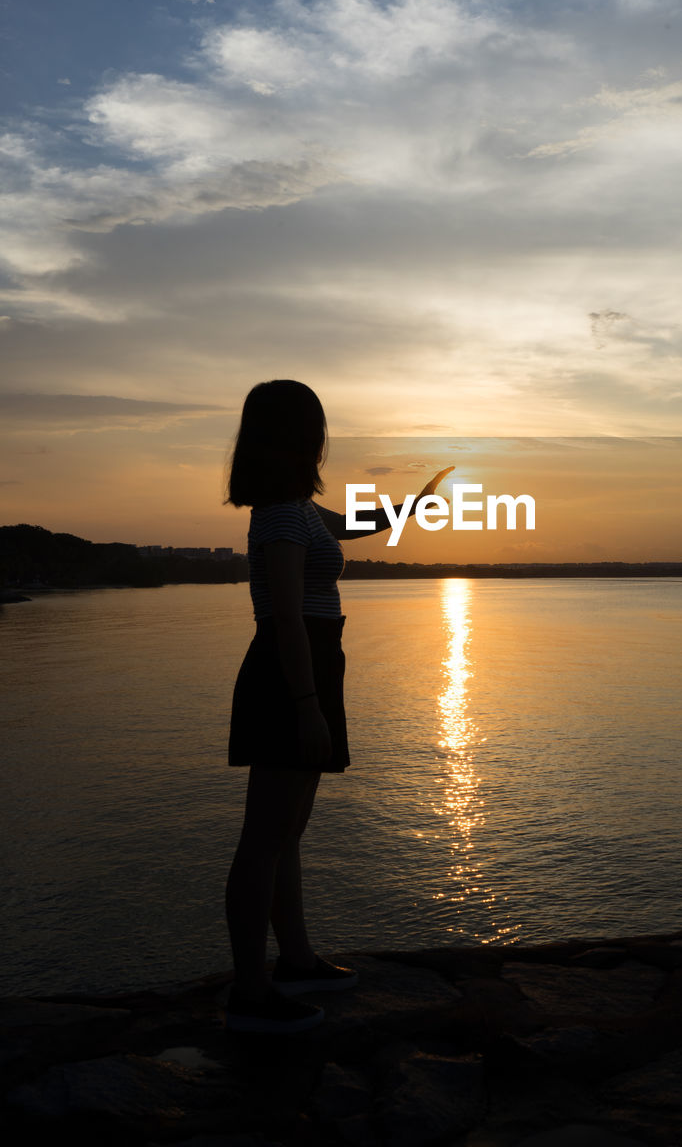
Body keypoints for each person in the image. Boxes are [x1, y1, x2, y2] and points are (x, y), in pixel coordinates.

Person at [224, 379, 452, 1034]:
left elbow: (355, 524)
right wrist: (305, 704)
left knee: (286, 836)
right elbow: (285, 618)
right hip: (288, 674)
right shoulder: (276, 514)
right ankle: (249, 992)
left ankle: (294, 961)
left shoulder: (297, 510)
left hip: (314, 668)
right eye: (315, 427)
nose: (323, 440)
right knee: (262, 842)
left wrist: (414, 503)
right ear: (298, 436)